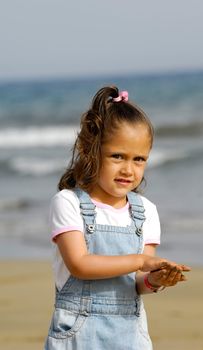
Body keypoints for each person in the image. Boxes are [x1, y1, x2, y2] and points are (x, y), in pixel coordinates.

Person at [44, 86, 190, 350]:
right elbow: (80, 265)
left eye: (139, 159)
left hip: (129, 335)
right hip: (79, 335)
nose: (128, 169)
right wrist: (142, 260)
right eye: (117, 156)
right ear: (91, 150)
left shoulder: (145, 211)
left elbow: (135, 283)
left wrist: (155, 280)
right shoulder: (68, 202)